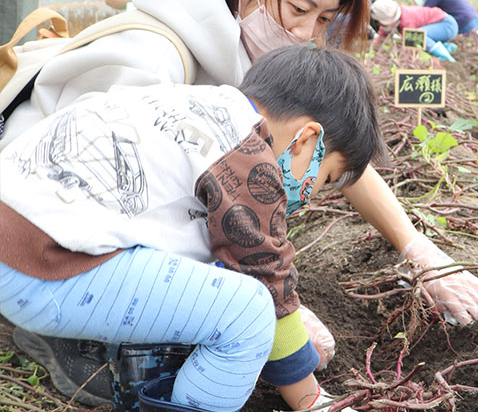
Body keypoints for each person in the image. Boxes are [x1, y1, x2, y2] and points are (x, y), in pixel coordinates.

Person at [1, 0, 478, 405]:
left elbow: (332, 154)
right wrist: (275, 308)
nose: (307, 34)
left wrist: (417, 248)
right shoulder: (155, 54)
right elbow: (104, 187)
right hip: (49, 243)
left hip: (37, 231)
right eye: (300, 9)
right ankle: (75, 343)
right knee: (237, 314)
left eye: (325, 20)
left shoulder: (259, 75)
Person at [0, 46, 383, 412]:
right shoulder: (251, 160)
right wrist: (310, 397)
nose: (311, 195)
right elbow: (270, 283)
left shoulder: (200, 105)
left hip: (19, 241)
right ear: (307, 139)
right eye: (325, 177)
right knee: (249, 312)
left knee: (206, 281)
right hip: (41, 261)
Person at [370, 0, 456, 62]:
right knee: (413, 37)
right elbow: (381, 37)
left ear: (392, 20)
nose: (380, 25)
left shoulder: (407, 20)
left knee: (414, 37)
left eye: (382, 23)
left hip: (447, 25)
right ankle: (446, 47)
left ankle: (446, 58)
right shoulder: (392, 19)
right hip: (439, 26)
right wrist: (372, 53)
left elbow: (410, 48)